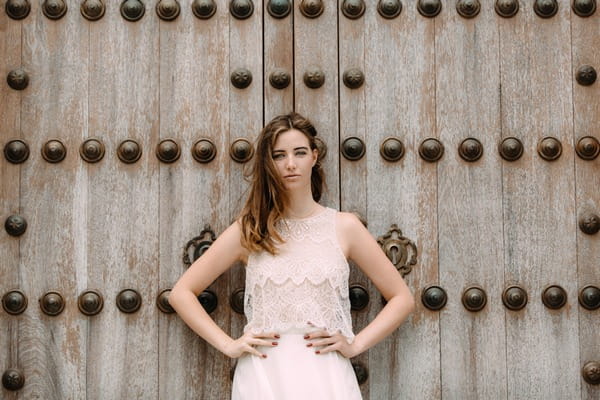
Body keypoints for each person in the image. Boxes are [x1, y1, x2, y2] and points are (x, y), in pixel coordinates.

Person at [169, 112, 415, 400]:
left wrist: (355, 344)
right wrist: (229, 345)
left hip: (326, 372)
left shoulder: (345, 227)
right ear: (268, 163)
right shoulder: (251, 229)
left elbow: (402, 298)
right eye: (279, 155)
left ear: (314, 156)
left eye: (299, 153)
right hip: (264, 374)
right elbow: (181, 293)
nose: (290, 164)